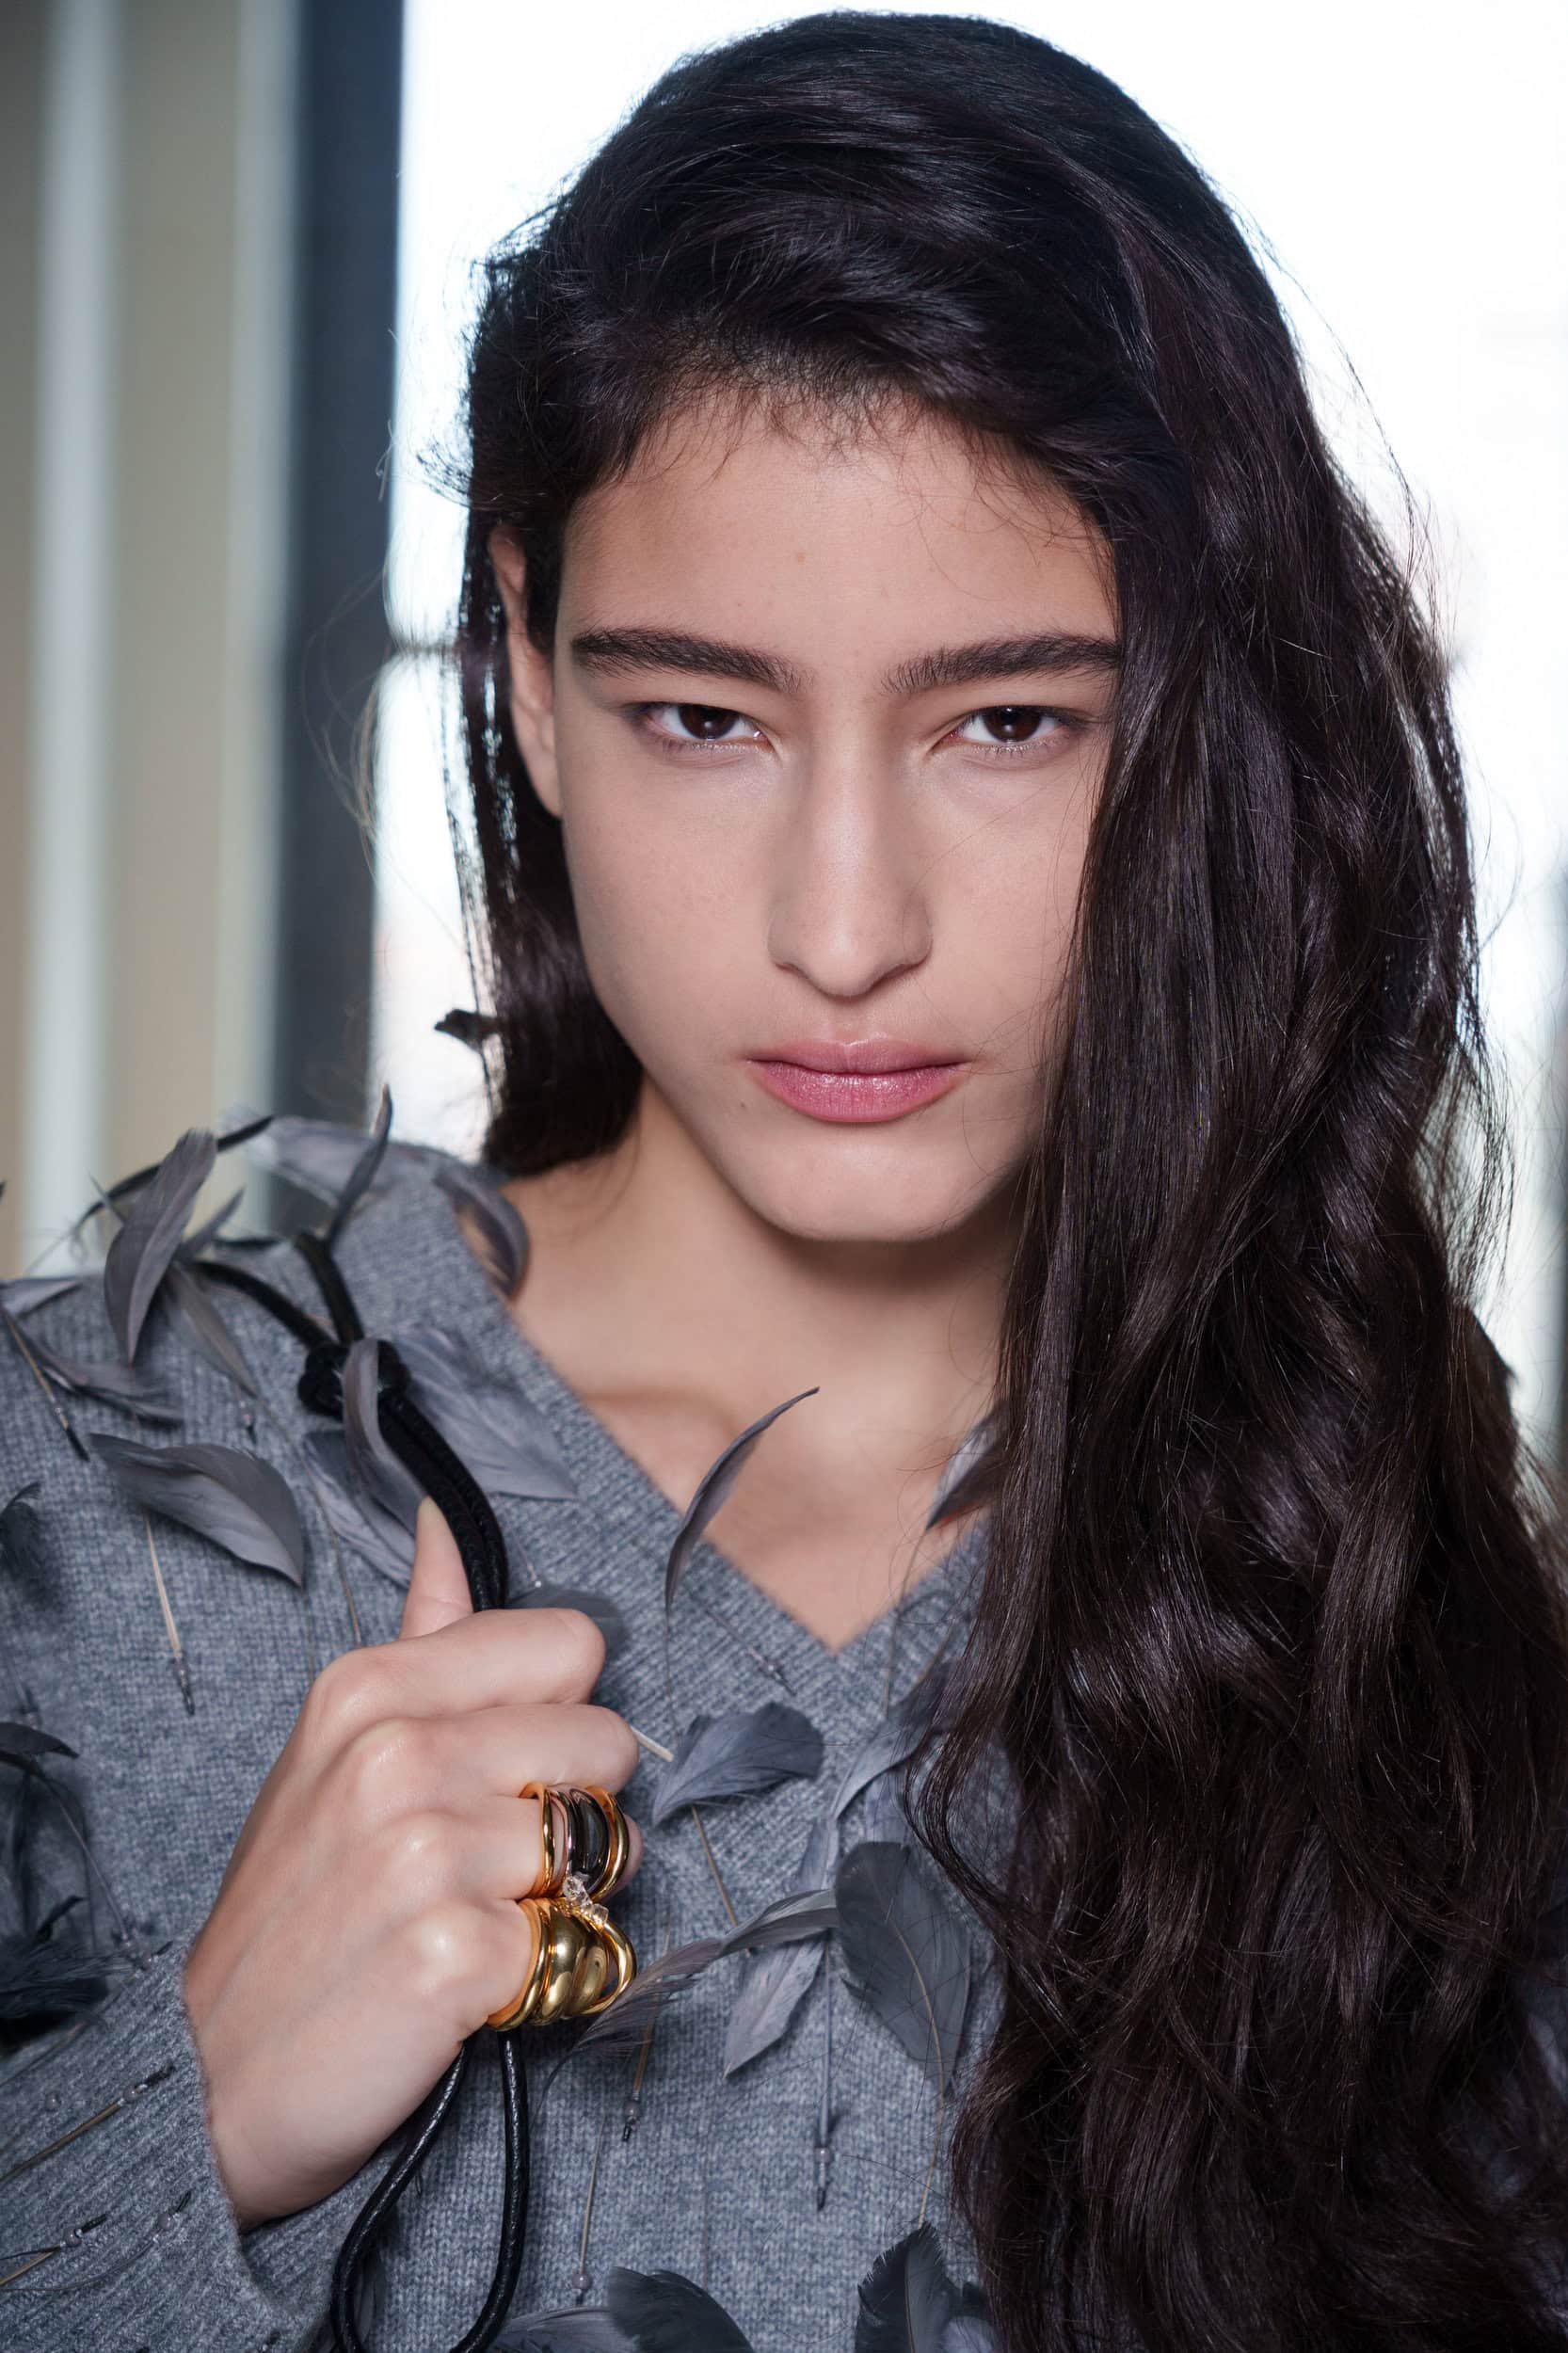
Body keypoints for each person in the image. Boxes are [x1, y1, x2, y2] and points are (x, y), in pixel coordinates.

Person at [3, 11, 1567, 2350]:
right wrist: (188, 2117)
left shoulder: (1373, 1568)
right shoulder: (71, 1500)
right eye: (703, 718)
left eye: (1006, 721)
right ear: (526, 672)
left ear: (1195, 722)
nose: (846, 928)